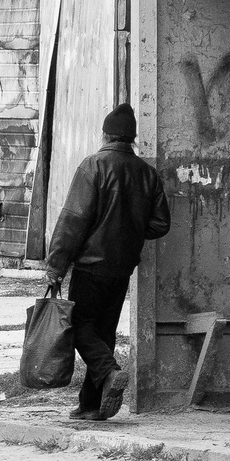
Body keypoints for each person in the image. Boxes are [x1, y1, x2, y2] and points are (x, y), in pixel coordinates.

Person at [43, 103, 170, 422]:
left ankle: (109, 371)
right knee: (104, 334)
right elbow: (161, 223)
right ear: (132, 139)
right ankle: (91, 405)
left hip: (90, 266)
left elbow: (72, 221)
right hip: (121, 268)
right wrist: (130, 230)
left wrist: (55, 267)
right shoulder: (147, 174)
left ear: (105, 134)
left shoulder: (93, 166)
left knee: (79, 327)